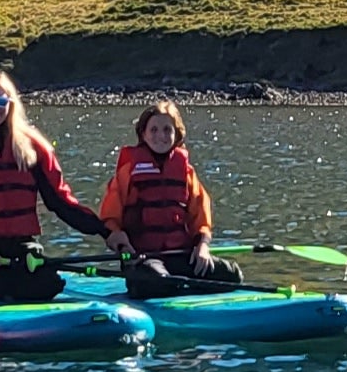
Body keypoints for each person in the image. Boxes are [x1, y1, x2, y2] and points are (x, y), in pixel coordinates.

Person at [0, 69, 109, 303]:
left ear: (11, 105)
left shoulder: (33, 148)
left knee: (46, 285)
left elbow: (60, 201)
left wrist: (105, 232)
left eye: (1, 101)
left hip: (19, 248)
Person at [101, 100, 244, 298]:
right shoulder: (128, 172)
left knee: (232, 274)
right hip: (142, 258)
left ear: (176, 134)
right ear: (143, 134)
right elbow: (110, 218)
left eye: (167, 130)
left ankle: (183, 285)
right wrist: (118, 240)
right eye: (154, 130)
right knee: (159, 281)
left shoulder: (186, 172)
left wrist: (202, 247)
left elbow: (200, 217)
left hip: (179, 255)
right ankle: (168, 285)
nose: (161, 136)